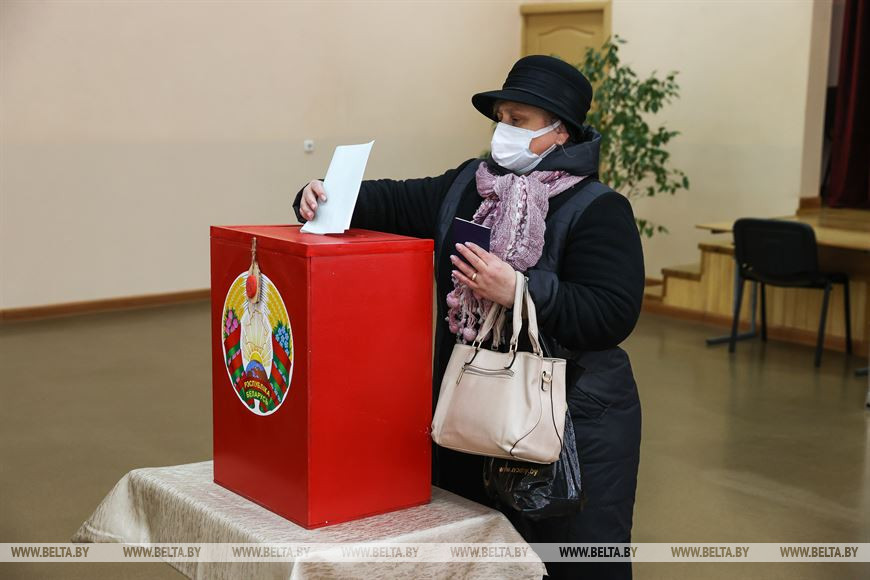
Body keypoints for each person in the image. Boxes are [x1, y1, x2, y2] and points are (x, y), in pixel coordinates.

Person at [293, 55, 644, 580]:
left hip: (571, 423)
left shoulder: (598, 208)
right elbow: (390, 201)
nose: (504, 131)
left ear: (560, 132)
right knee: (475, 557)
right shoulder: (468, 185)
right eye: (501, 118)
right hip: (472, 412)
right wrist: (321, 193)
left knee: (566, 562)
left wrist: (520, 290)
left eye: (519, 120)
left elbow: (611, 314)